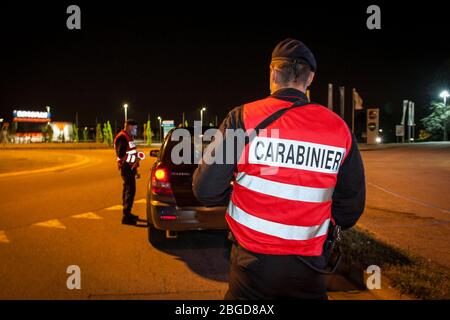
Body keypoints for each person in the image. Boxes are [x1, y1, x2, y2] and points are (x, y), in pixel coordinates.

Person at [192, 38, 366, 299]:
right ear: (310, 79)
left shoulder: (242, 118)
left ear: (273, 73)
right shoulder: (339, 128)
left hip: (252, 269)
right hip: (310, 270)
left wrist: (241, 198)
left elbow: (204, 189)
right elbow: (350, 209)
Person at [114, 119, 141, 225]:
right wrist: (133, 161)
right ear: (129, 126)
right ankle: (126, 216)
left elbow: (130, 151)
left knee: (128, 190)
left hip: (130, 168)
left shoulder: (128, 137)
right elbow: (121, 154)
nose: (136, 130)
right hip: (126, 168)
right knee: (130, 191)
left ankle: (127, 213)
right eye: (134, 128)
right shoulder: (122, 137)